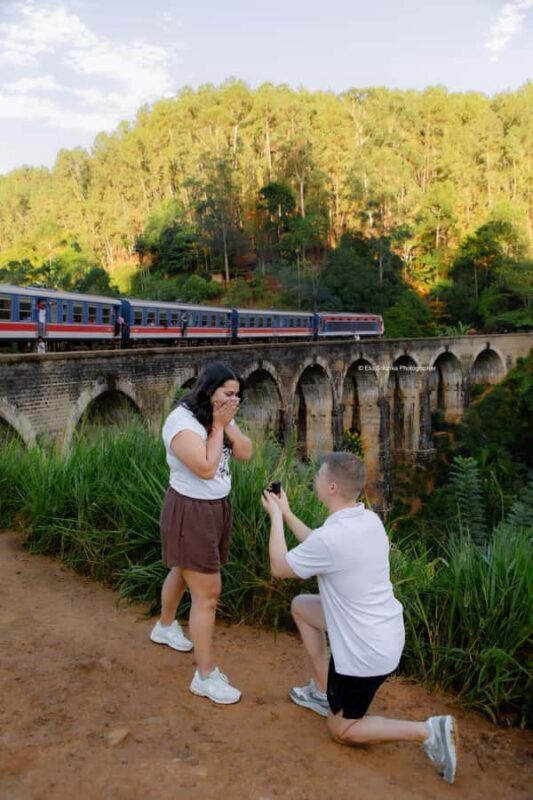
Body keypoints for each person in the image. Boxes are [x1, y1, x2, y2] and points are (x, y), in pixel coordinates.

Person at [261, 452, 458, 784]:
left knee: (342, 729)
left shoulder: (333, 536)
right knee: (302, 607)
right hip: (384, 632)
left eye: (319, 477)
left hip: (365, 654)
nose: (316, 481)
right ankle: (324, 693)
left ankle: (428, 731)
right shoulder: (367, 520)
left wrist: (275, 520)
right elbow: (317, 547)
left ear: (333, 487)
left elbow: (279, 567)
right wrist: (289, 512)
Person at [151, 361, 253, 705]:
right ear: (209, 390)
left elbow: (245, 453)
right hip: (190, 510)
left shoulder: (218, 414)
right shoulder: (181, 424)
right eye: (228, 393)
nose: (234, 401)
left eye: (238, 395)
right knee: (208, 594)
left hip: (214, 508)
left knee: (183, 570)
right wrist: (220, 426)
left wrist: (227, 424)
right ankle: (205, 676)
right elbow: (207, 468)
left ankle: (165, 626)